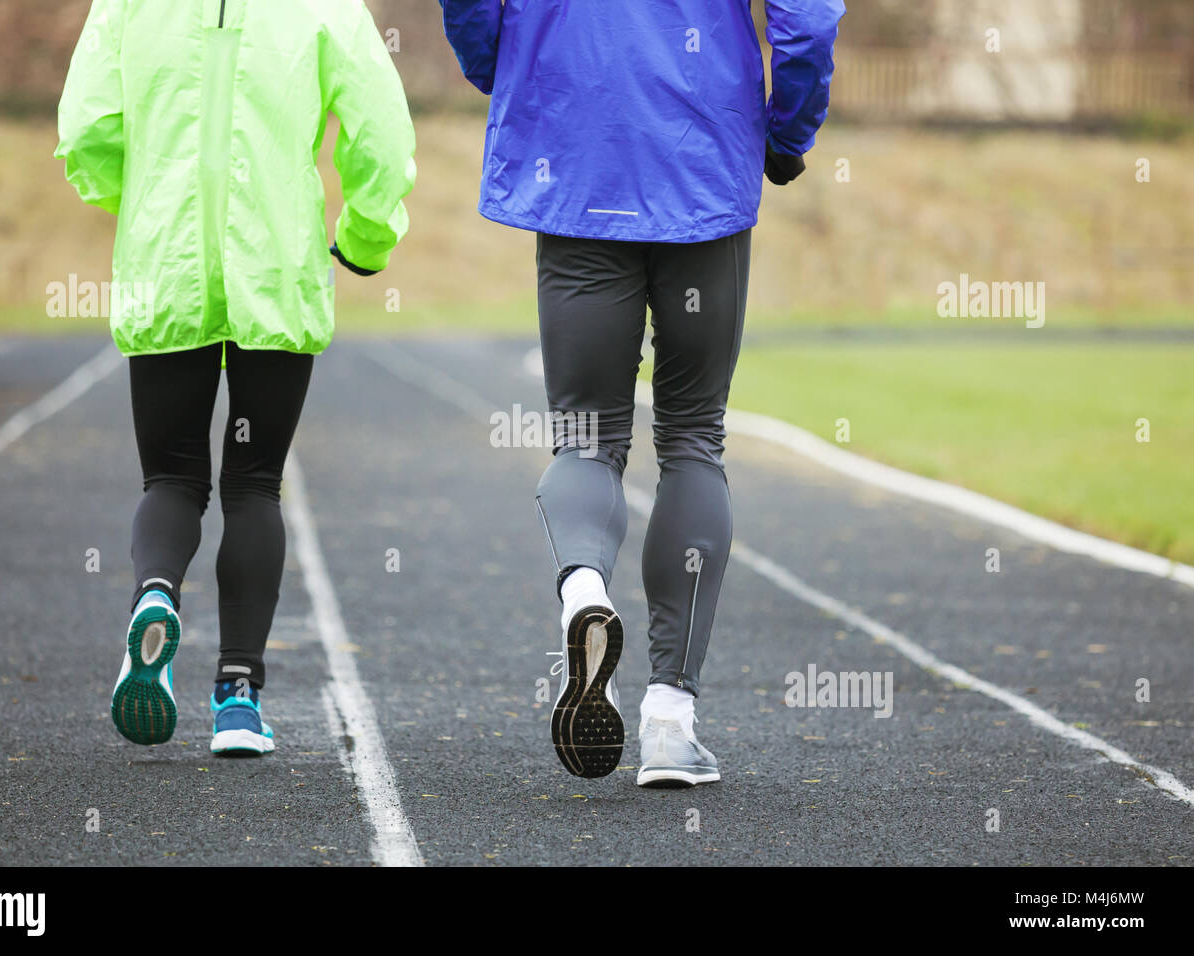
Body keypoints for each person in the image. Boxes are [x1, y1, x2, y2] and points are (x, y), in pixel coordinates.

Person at [441, 0, 843, 784]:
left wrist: (517, 70)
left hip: (576, 152)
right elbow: (809, 19)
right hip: (703, 160)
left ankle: (584, 588)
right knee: (693, 438)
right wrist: (790, 131)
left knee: (586, 435)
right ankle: (669, 720)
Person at [56, 0, 415, 755]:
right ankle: (239, 697)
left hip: (165, 269)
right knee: (255, 485)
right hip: (277, 269)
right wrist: (364, 237)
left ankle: (156, 592)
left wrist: (139, 206)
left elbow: (87, 125)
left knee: (171, 479)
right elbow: (380, 134)